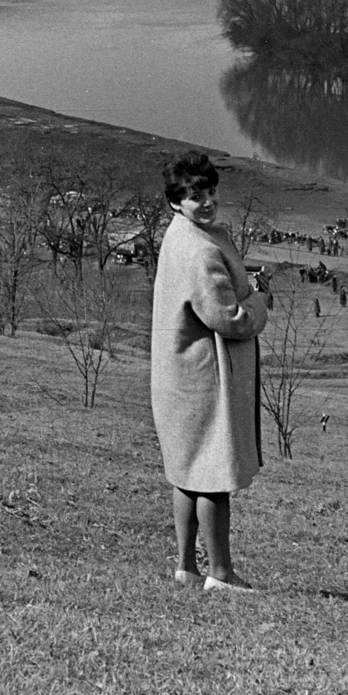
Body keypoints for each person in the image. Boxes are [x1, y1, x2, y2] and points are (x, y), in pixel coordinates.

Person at [150, 151, 269, 594]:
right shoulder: (200, 250)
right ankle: (220, 573)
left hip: (178, 374)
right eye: (195, 196)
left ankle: (185, 566)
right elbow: (230, 317)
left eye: (211, 192)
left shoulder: (178, 236)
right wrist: (259, 303)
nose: (207, 202)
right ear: (176, 202)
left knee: (186, 470)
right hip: (204, 378)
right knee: (213, 476)